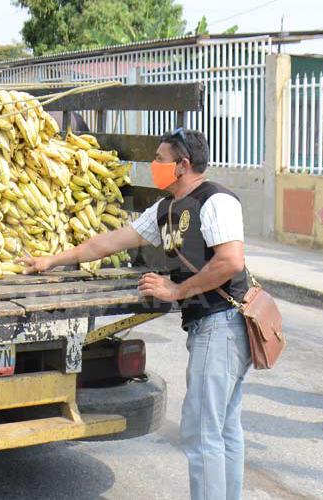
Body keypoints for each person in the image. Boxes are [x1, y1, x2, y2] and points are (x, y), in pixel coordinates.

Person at [20, 128, 253, 500]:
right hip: (210, 326)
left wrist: (175, 290)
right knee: (223, 429)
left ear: (183, 165)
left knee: (204, 431)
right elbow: (109, 242)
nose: (154, 166)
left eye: (160, 160)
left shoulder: (216, 201)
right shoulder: (166, 210)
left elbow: (229, 262)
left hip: (222, 324)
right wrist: (52, 260)